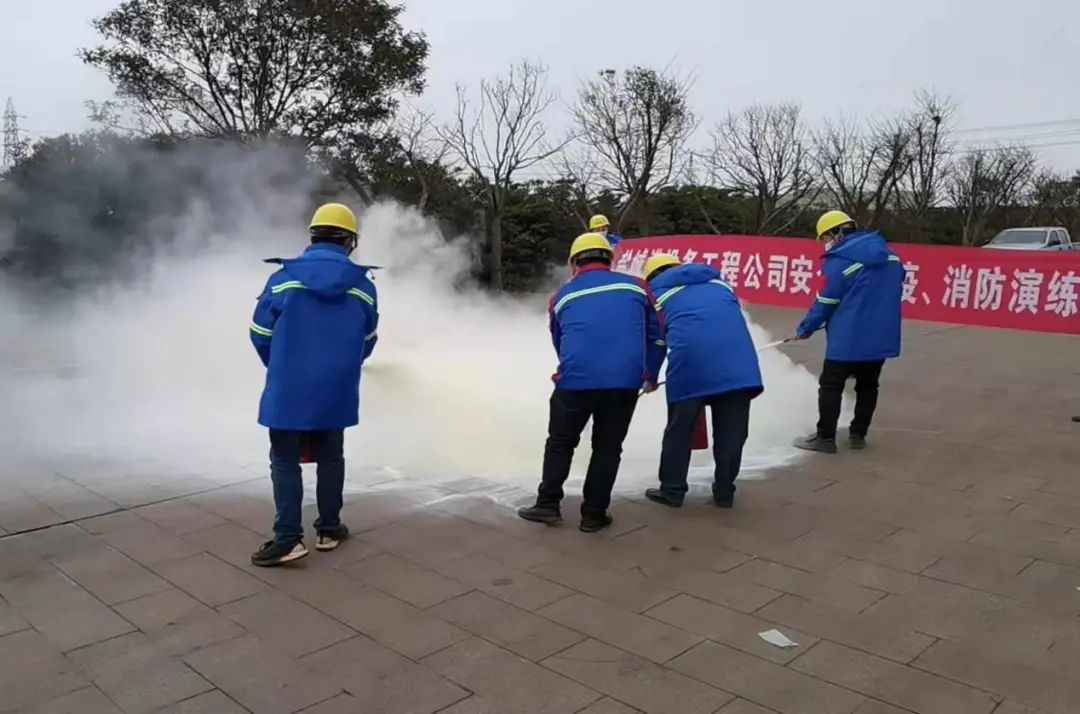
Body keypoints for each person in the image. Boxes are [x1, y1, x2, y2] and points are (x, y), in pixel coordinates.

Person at [248, 202, 379, 567]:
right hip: (336, 389)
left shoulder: (282, 279)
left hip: (288, 389)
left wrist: (282, 366)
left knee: (284, 460)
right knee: (331, 456)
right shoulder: (363, 287)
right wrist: (343, 367)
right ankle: (329, 528)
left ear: (312, 236)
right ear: (350, 241)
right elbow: (368, 339)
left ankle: (288, 538)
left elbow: (259, 333)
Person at [517, 232, 663, 532]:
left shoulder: (562, 296)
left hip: (575, 382)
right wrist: (650, 375)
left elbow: (560, 342)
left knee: (560, 443)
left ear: (574, 263)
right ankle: (593, 515)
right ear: (609, 259)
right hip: (623, 384)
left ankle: (547, 505)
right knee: (607, 448)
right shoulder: (637, 287)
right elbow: (657, 336)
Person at [640, 254, 764, 509]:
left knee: (680, 431)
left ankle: (672, 491)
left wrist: (649, 378)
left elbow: (658, 342)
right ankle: (725, 492)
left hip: (691, 369)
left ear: (651, 277)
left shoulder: (657, 296)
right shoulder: (720, 284)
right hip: (739, 367)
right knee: (732, 433)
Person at [790, 210, 904, 453]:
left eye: (826, 237)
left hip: (848, 337)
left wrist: (806, 328)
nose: (826, 243)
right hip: (880, 335)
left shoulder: (840, 260)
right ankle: (858, 435)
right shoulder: (891, 256)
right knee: (868, 386)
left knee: (831, 385)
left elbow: (826, 301)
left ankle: (825, 438)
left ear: (837, 232)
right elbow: (898, 281)